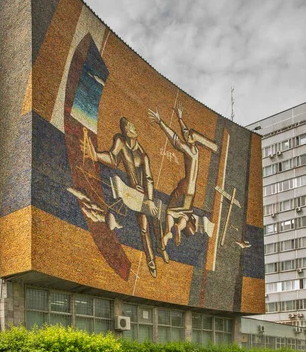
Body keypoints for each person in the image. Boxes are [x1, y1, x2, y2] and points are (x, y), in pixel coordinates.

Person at [88, 117, 168, 278]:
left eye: (132, 125)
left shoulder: (143, 155)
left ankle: (161, 246)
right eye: (130, 126)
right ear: (126, 131)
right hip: (133, 195)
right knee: (144, 229)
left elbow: (149, 179)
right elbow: (112, 158)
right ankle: (151, 259)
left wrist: (150, 200)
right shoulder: (121, 141)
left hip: (146, 196)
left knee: (157, 217)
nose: (133, 127)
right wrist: (96, 155)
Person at [149, 104, 216, 246]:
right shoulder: (195, 151)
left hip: (184, 186)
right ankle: (179, 227)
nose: (186, 135)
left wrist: (161, 122)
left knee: (170, 211)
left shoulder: (187, 150)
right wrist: (180, 118)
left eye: (188, 136)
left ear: (190, 140)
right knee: (185, 213)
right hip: (192, 191)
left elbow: (175, 138)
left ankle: (168, 231)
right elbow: (186, 133)